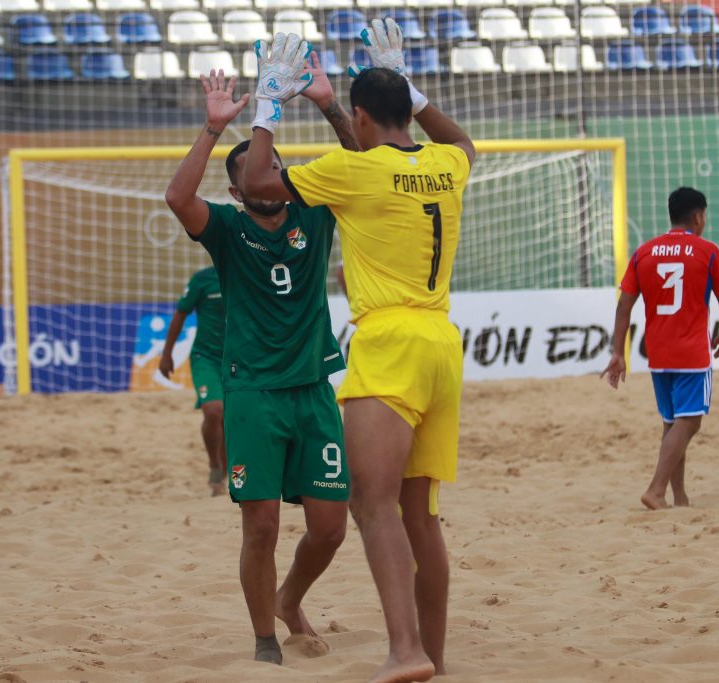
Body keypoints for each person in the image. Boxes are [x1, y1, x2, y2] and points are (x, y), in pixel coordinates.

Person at [242, 21, 475, 683]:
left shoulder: (355, 172)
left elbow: (259, 179)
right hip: (440, 344)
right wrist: (402, 82)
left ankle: (404, 652)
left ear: (364, 116)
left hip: (390, 342)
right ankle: (433, 649)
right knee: (419, 513)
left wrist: (270, 99)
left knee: (371, 505)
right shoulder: (443, 164)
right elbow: (458, 137)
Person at [163, 60, 360, 667]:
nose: (271, 173)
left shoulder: (313, 213)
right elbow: (176, 196)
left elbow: (359, 166)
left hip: (312, 391)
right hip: (253, 394)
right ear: (237, 188)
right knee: (262, 528)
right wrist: (213, 129)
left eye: (275, 165)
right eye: (258, 169)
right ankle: (265, 640)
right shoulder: (223, 228)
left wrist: (330, 106)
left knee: (330, 528)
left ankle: (288, 598)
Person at [601, 187, 719, 510]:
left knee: (672, 423)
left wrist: (618, 352)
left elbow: (624, 306)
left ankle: (680, 497)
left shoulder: (644, 252)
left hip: (658, 354)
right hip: (692, 353)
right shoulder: (708, 251)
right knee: (690, 423)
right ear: (698, 217)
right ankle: (657, 490)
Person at [159, 265, 226, 495]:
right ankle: (215, 466)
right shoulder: (202, 280)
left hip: (239, 356)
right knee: (214, 410)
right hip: (205, 357)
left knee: (234, 418)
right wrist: (167, 353)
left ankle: (228, 472)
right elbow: (180, 313)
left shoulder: (247, 270)